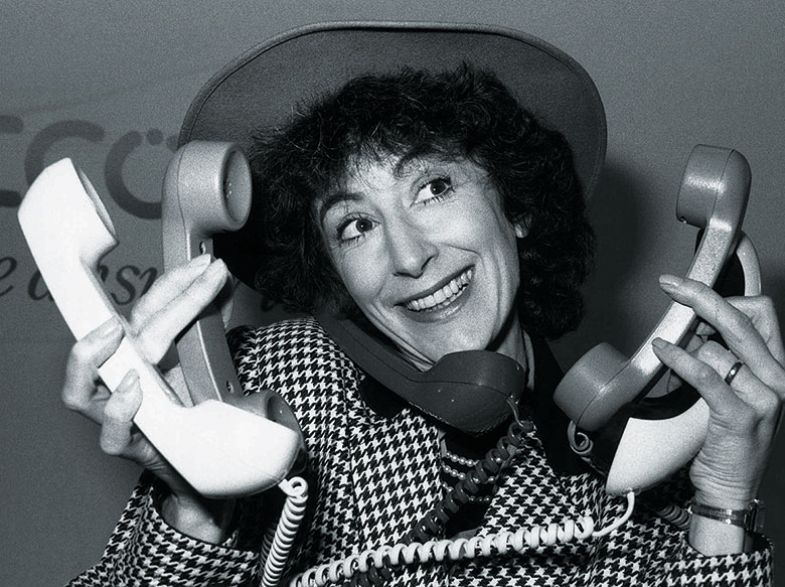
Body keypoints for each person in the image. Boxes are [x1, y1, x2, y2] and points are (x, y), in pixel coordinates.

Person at [64, 25, 780, 587]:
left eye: (432, 188)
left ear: (515, 203)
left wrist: (721, 502)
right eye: (356, 224)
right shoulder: (269, 386)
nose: (407, 257)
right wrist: (197, 505)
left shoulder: (630, 464)